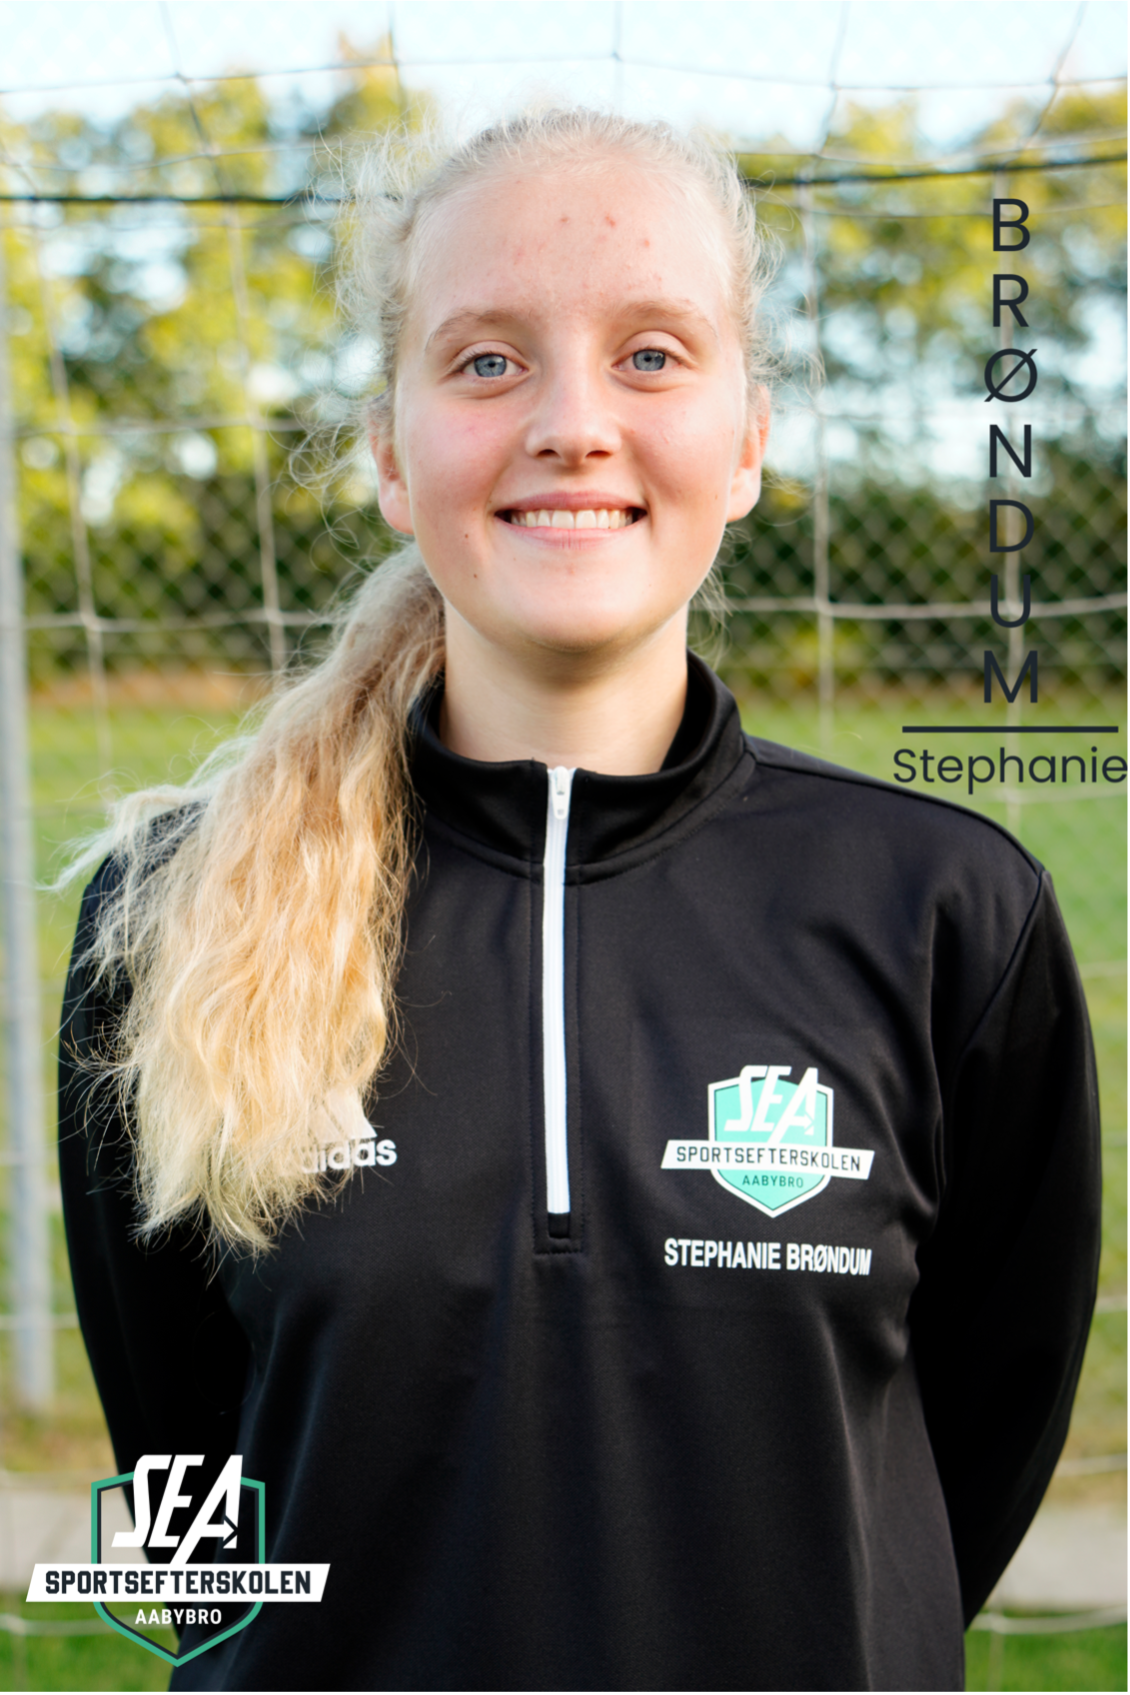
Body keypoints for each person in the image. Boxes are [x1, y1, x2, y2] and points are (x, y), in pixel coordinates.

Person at [59, 109, 1100, 1692]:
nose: (570, 424)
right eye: (486, 361)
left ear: (746, 440)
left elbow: (972, 1441)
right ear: (390, 452)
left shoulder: (950, 912)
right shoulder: (173, 918)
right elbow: (187, 1476)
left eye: (651, 355)